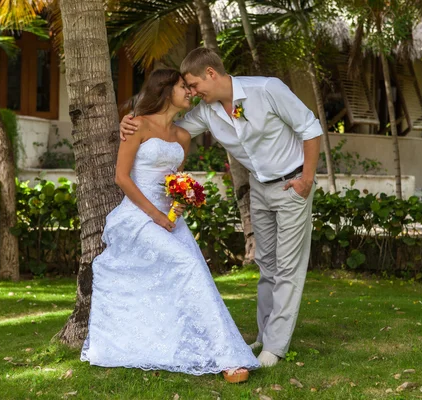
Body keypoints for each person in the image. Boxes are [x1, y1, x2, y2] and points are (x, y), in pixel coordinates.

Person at [120, 48, 322, 367]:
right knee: (267, 264)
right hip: (259, 186)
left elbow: (310, 128)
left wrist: (306, 179)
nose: (192, 92)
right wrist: (131, 120)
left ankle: (275, 348)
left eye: (194, 84)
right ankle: (264, 336)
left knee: (287, 268)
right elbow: (165, 123)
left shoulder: (267, 89)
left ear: (211, 74)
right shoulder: (207, 112)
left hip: (292, 184)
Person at [81, 68, 259, 383]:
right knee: (186, 264)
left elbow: (173, 180)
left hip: (169, 218)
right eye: (183, 87)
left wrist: (180, 201)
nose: (189, 92)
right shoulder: (136, 125)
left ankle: (220, 351)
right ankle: (227, 358)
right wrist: (156, 215)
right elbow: (121, 178)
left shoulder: (183, 136)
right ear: (165, 90)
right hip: (139, 216)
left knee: (196, 270)